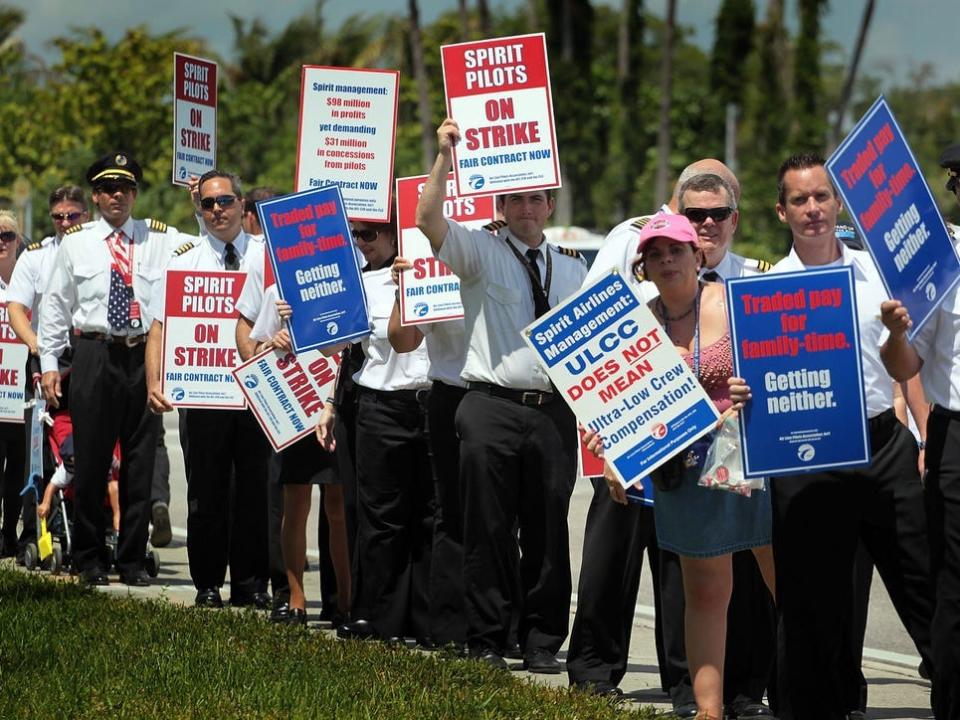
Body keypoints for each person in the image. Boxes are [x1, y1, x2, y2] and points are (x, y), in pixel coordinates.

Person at [730, 154, 935, 720]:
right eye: (800, 200)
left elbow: (902, 368)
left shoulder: (877, 275)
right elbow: (761, 388)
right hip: (807, 460)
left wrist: (897, 337)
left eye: (821, 196)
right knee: (809, 603)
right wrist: (748, 395)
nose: (813, 209)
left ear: (838, 203)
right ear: (781, 211)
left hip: (882, 445)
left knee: (925, 582)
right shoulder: (765, 292)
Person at [569, 165, 778, 720]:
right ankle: (708, 713)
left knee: (789, 587)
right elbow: (612, 407)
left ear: (696, 255)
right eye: (655, 252)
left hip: (749, 465)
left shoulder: (738, 302)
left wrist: (748, 389)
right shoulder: (632, 324)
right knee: (706, 597)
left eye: (676, 250)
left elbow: (779, 376)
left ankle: (814, 691)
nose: (667, 260)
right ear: (644, 263)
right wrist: (609, 451)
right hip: (684, 476)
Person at [416, 118, 588, 672]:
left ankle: (541, 640)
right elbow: (426, 219)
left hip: (552, 412)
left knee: (547, 529)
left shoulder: (573, 268)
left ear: (550, 204)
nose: (526, 209)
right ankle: (486, 639)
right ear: (503, 203)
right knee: (486, 529)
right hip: (489, 404)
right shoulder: (481, 253)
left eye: (536, 199)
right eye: (515, 199)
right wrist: (445, 155)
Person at [37, 151, 183, 586]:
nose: (117, 195)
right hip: (94, 354)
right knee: (93, 459)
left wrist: (198, 201)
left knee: (140, 461)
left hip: (144, 355)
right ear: (96, 197)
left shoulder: (158, 238)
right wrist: (48, 363)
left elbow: (204, 246)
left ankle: (133, 558)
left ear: (135, 194)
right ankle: (88, 556)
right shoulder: (76, 242)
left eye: (126, 188)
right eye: (107, 189)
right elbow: (55, 307)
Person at [144, 169, 271, 608]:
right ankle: (208, 583)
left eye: (226, 201)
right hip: (202, 395)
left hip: (258, 394)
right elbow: (159, 328)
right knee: (206, 490)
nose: (217, 210)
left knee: (254, 489)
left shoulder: (266, 256)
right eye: (208, 204)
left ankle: (252, 584)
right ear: (199, 209)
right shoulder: (183, 262)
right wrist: (154, 382)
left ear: (242, 205)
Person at [877, 141, 960, 720]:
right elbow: (908, 367)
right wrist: (897, 332)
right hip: (957, 439)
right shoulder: (940, 264)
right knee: (954, 584)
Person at [324, 215, 434, 644]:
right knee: (381, 518)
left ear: (395, 234)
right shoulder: (361, 283)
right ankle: (377, 616)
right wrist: (301, 317)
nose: (361, 243)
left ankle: (426, 621)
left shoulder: (437, 274)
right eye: (357, 236)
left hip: (430, 403)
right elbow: (335, 345)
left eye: (369, 234)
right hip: (381, 407)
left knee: (429, 516)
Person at [235, 245, 352, 627]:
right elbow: (257, 346)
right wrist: (275, 341)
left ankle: (345, 601)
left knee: (338, 507)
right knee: (295, 503)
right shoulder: (276, 292)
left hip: (335, 401)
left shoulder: (346, 285)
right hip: (297, 407)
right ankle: (296, 595)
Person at [386, 254, 470, 649]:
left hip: (508, 399)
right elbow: (404, 340)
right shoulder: (435, 258)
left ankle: (503, 630)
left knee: (505, 521)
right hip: (452, 395)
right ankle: (450, 629)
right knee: (449, 515)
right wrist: (407, 290)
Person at [5, 186, 89, 561]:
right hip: (45, 359)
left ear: (86, 214)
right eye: (59, 217)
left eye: (73, 215)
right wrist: (38, 346)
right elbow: (17, 309)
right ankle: (32, 533)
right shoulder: (36, 257)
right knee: (36, 452)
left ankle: (92, 534)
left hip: (89, 356)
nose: (66, 223)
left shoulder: (101, 249)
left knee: (93, 446)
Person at [0, 211, 25, 560]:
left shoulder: (29, 277)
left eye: (7, 236)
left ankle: (10, 533)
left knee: (19, 465)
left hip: (22, 390)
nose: (1, 243)